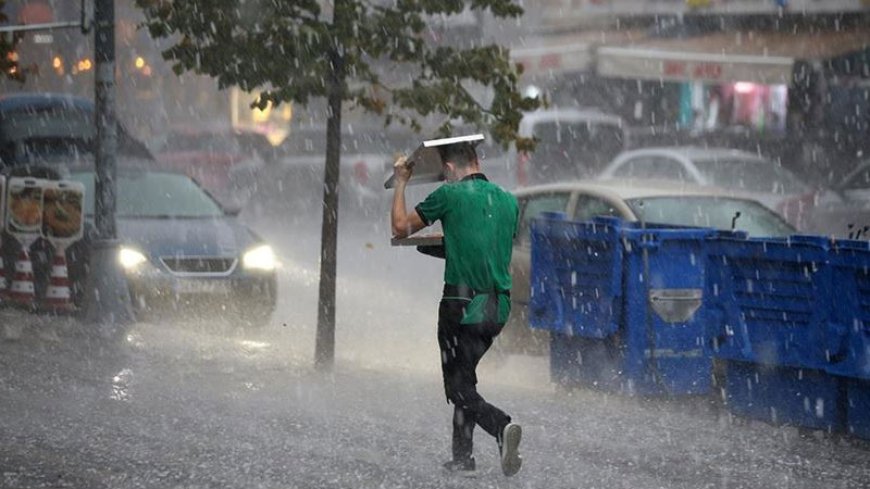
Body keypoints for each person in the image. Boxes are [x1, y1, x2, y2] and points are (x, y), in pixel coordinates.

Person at [390, 139, 523, 477]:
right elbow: (485, 246)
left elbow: (400, 227)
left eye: (445, 173)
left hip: (461, 306)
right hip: (498, 308)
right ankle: (463, 458)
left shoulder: (449, 195)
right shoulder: (508, 201)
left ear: (449, 169)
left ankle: (500, 426)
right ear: (477, 160)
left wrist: (402, 181)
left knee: (457, 387)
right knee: (466, 378)